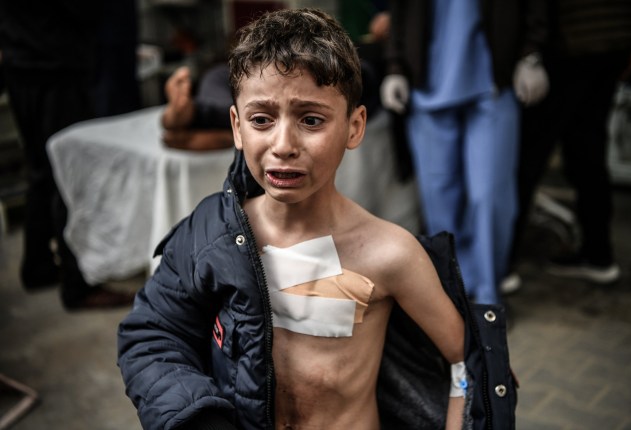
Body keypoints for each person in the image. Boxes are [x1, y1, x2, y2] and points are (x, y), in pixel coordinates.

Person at [117, 9, 479, 429]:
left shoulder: (390, 253)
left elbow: (466, 361)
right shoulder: (213, 232)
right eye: (261, 120)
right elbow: (153, 332)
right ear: (237, 128)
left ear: (354, 127)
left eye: (311, 119)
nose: (283, 144)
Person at [380, 0, 549, 304]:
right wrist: (395, 67)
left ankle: (486, 297)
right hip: (427, 84)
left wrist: (532, 53)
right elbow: (401, 11)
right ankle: (453, 295)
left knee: (490, 197)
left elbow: (537, 8)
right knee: (439, 197)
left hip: (493, 84)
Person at [0, 1, 135, 309]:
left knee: (42, 169)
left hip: (21, 61)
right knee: (69, 174)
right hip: (55, 64)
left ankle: (37, 266)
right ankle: (79, 285)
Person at [508, 0, 631, 287]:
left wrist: (530, 52)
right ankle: (598, 254)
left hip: (569, 45)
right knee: (588, 152)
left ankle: (502, 262)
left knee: (529, 157)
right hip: (613, 41)